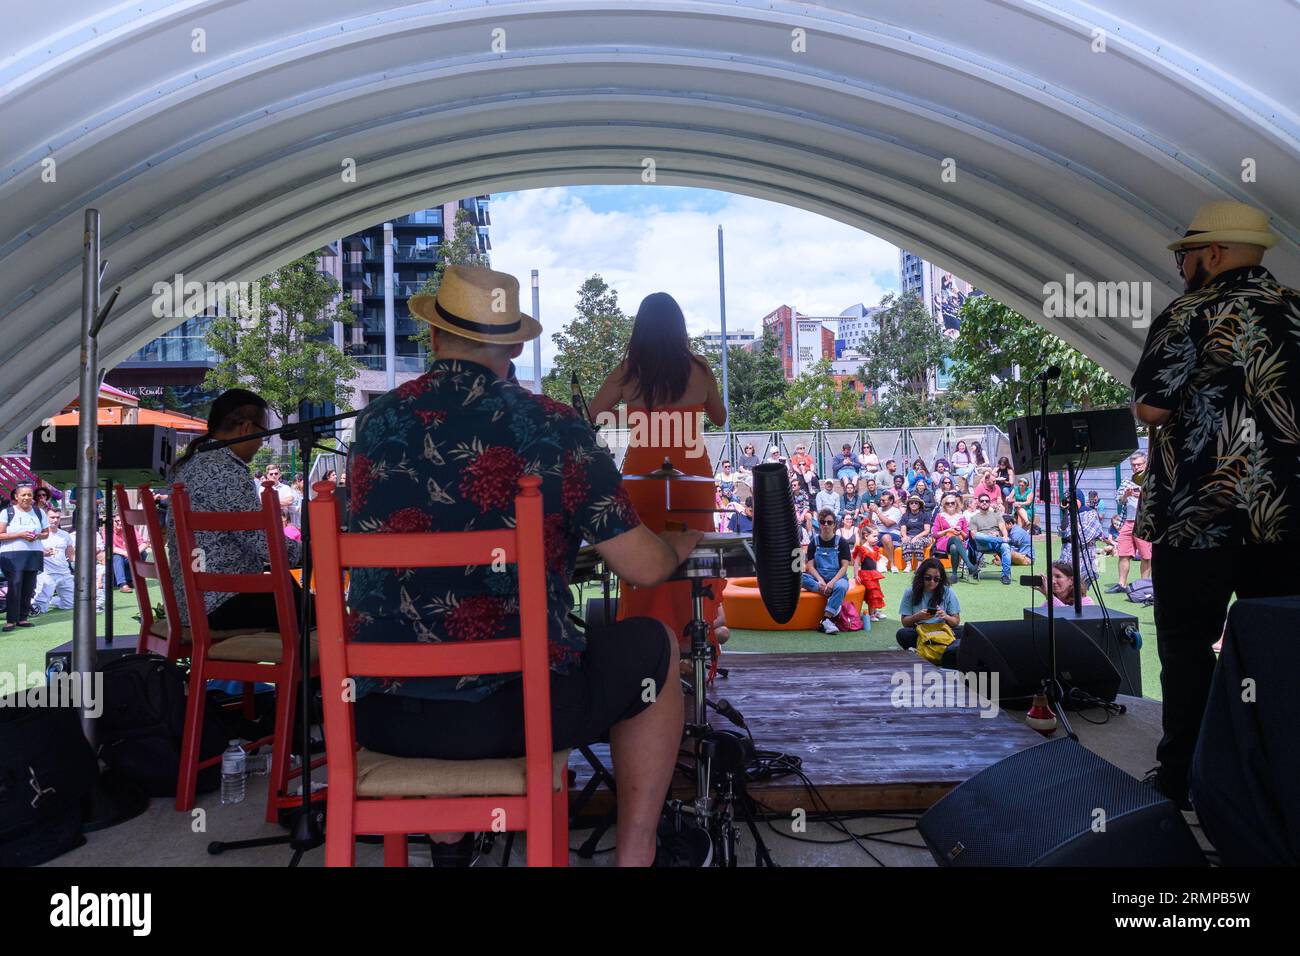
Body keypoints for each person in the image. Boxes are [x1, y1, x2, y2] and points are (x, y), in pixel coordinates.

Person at [352, 266, 707, 868]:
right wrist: (683, 541)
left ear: (434, 338)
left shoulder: (372, 425)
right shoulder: (552, 425)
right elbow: (645, 569)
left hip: (385, 715)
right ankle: (638, 854)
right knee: (655, 644)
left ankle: (449, 840)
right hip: (517, 713)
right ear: (516, 345)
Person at [1131, 200, 1300, 809]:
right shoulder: (1296, 309)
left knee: (1187, 646)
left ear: (1215, 253)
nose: (1180, 266)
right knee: (1281, 650)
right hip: (1286, 517)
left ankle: (1183, 782)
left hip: (1198, 515)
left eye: (1185, 254)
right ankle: (1275, 785)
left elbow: (1152, 406)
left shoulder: (1190, 312)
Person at [591, 291, 728, 659]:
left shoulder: (628, 372)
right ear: (679, 329)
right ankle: (692, 648)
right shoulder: (699, 369)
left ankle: (648, 653)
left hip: (643, 482)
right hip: (692, 482)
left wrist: (634, 415)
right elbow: (719, 416)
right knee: (691, 564)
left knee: (645, 563)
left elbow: (591, 414)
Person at [166, 389, 306, 632]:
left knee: (295, 595)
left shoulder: (190, 463)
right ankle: (294, 669)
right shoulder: (226, 470)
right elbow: (263, 542)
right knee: (321, 611)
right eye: (262, 433)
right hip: (221, 603)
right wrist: (311, 553)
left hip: (189, 602)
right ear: (246, 428)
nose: (262, 441)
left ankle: (287, 668)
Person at [0, 483, 48, 630]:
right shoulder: (7, 512)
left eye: (29, 495)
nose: (27, 497)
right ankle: (10, 620)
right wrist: (20, 535)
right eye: (23, 495)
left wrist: (37, 536)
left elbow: (46, 534)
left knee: (29, 586)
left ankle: (23, 618)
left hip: (34, 554)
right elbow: (1, 534)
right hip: (12, 554)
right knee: (15, 585)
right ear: (16, 497)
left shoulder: (39, 512)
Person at [895, 558, 962, 658]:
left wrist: (945, 616)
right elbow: (905, 622)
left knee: (966, 631)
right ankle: (944, 650)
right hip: (920, 631)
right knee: (902, 634)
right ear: (921, 577)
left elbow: (956, 621)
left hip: (943, 630)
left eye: (936, 579)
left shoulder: (948, 591)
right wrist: (917, 617)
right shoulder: (910, 592)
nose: (932, 582)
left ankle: (926, 649)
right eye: (928, 578)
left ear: (941, 579)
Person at [801, 509, 854, 634]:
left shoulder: (841, 542)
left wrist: (831, 583)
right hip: (818, 578)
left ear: (834, 524)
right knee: (799, 577)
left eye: (829, 522)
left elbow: (844, 567)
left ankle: (826, 619)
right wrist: (820, 582)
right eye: (822, 522)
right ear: (819, 524)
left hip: (837, 577)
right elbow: (810, 566)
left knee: (841, 586)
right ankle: (830, 595)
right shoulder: (814, 542)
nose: (826, 525)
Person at [1107, 451, 1152, 593]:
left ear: (1146, 464)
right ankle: (1122, 584)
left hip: (1144, 522)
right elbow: (1119, 500)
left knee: (1146, 556)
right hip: (1128, 522)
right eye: (1134, 465)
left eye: (1139, 464)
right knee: (1123, 553)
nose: (1136, 467)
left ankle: (1143, 586)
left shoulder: (1150, 479)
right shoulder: (1127, 480)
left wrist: (1142, 495)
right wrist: (1126, 495)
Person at [32, 507, 75, 615]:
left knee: (70, 604)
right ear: (46, 518)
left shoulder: (65, 535)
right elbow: (31, 552)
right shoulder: (39, 534)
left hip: (64, 573)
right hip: (46, 574)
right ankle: (35, 602)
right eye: (52, 517)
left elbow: (71, 554)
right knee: (41, 609)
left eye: (57, 517)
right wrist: (42, 553)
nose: (55, 520)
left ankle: (51, 600)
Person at [967, 490, 1013, 585]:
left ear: (990, 503)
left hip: (996, 544)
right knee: (978, 535)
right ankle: (1001, 540)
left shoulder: (997, 516)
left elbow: (1003, 528)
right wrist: (996, 538)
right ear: (978, 503)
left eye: (987, 501)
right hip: (982, 544)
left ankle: (1005, 575)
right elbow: (973, 535)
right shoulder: (974, 518)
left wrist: (1004, 536)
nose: (984, 502)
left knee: (1005, 547)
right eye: (982, 501)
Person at [931, 493, 980, 579]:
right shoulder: (940, 516)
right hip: (943, 542)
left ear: (956, 504)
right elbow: (935, 534)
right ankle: (969, 565)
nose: (950, 505)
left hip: (958, 543)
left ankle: (954, 574)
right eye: (948, 503)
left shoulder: (961, 517)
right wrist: (948, 530)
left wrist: (960, 531)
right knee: (954, 538)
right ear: (944, 505)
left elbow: (966, 536)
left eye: (952, 503)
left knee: (954, 547)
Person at [1059, 495, 1102, 586]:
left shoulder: (1090, 513)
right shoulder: (1068, 514)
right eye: (1068, 500)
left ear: (1081, 500)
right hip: (1067, 554)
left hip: (1086, 554)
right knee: (1066, 587)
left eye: (1073, 499)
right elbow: (1062, 532)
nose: (1070, 502)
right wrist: (1065, 513)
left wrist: (1069, 537)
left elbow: (1084, 536)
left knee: (1081, 587)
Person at [851, 525, 886, 621]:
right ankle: (871, 615)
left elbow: (875, 561)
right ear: (866, 536)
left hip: (873, 574)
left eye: (877, 536)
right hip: (866, 575)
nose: (876, 538)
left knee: (876, 593)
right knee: (872, 594)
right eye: (874, 536)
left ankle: (875, 612)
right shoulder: (862, 549)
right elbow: (856, 563)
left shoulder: (874, 548)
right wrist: (855, 575)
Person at [865, 492, 902, 570]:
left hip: (892, 534)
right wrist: (871, 512)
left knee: (886, 537)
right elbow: (870, 524)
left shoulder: (896, 511)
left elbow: (888, 524)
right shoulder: (877, 510)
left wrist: (877, 512)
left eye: (883, 500)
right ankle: (869, 564)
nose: (881, 502)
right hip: (878, 534)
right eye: (880, 500)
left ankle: (892, 564)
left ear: (891, 501)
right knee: (866, 535)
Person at [897, 495, 932, 570]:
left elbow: (927, 530)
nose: (913, 504)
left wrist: (916, 537)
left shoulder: (925, 515)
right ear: (909, 505)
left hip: (923, 537)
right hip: (910, 536)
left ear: (919, 505)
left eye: (916, 503)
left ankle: (919, 565)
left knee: (917, 542)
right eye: (911, 503)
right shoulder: (905, 516)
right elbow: (903, 529)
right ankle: (908, 565)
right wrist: (905, 536)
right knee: (905, 542)